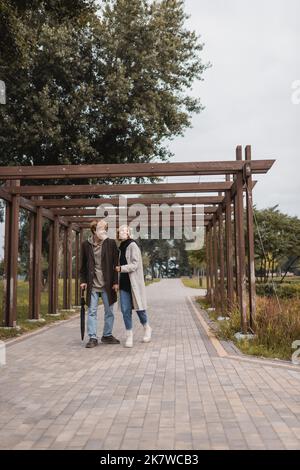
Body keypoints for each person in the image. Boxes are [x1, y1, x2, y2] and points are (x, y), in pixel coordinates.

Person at [80, 219, 120, 348]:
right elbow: (83, 265)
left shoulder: (111, 243)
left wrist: (115, 282)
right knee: (92, 311)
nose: (104, 232)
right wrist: (83, 281)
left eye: (105, 229)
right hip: (93, 284)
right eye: (101, 229)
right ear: (94, 230)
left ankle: (107, 335)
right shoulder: (86, 245)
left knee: (109, 311)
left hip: (107, 284)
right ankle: (93, 337)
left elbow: (116, 264)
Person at [115, 225, 152, 348]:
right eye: (120, 231)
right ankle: (129, 335)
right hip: (124, 284)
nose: (121, 233)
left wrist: (121, 268)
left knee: (139, 308)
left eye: (124, 231)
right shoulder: (120, 248)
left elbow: (135, 264)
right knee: (126, 311)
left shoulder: (133, 245)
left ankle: (146, 327)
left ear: (128, 233)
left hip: (134, 283)